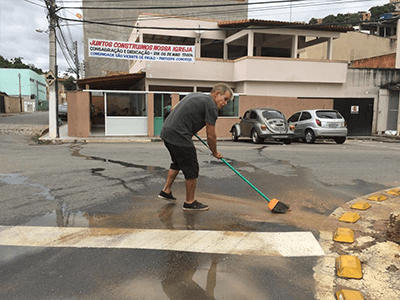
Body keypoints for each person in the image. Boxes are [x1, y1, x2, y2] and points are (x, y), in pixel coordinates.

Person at [158, 83, 233, 211]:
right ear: (217, 93)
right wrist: (215, 152)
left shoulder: (196, 95)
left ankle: (166, 191)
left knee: (177, 162)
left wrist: (190, 125)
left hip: (166, 132)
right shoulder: (211, 105)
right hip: (179, 135)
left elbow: (173, 109)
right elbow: (211, 135)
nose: (225, 103)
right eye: (225, 99)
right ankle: (189, 202)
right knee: (191, 168)